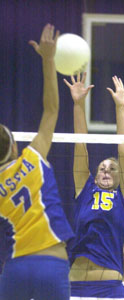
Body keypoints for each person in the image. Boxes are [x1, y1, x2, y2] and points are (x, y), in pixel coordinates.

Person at [0, 24, 75, 300]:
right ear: (15, 146)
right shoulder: (33, 156)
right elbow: (51, 108)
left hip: (15, 268)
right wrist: (48, 59)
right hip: (52, 264)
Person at [64, 73, 124, 299]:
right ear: (94, 176)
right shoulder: (84, 191)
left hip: (109, 289)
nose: (106, 170)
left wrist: (121, 109)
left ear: (119, 177)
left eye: (112, 168)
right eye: (102, 168)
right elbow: (80, 145)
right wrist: (78, 104)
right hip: (74, 287)